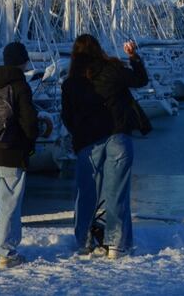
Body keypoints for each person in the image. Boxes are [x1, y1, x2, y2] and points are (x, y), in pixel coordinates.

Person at [61, 34, 148, 259]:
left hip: (88, 142)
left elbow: (67, 117)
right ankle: (116, 244)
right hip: (118, 136)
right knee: (116, 193)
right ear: (98, 49)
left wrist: (77, 134)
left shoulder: (71, 82)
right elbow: (140, 81)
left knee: (85, 193)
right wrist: (134, 57)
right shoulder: (113, 69)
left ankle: (83, 241)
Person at [0, 41, 39, 269]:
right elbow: (29, 123)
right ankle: (6, 253)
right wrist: (31, 142)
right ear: (23, 61)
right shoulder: (20, 86)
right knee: (9, 204)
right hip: (11, 153)